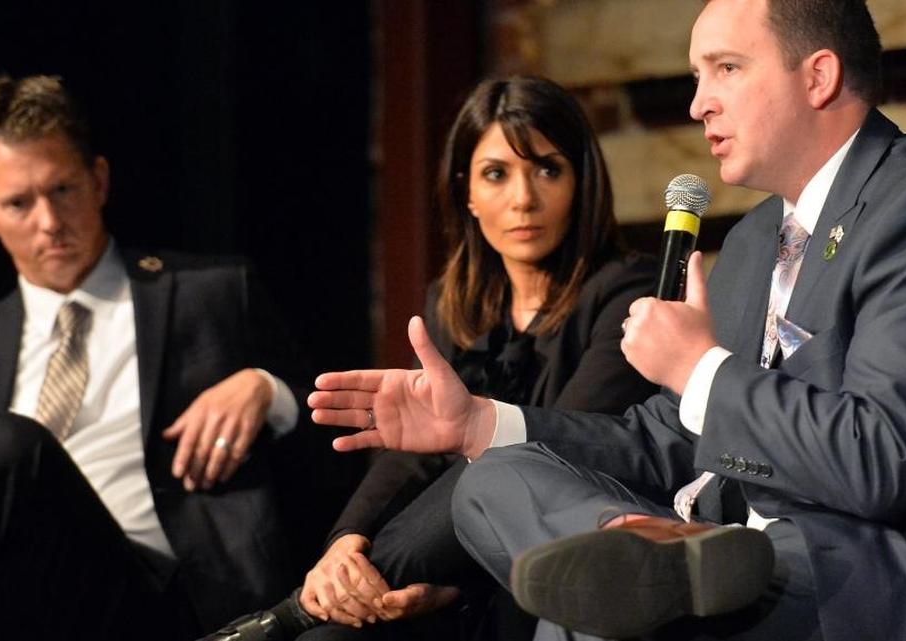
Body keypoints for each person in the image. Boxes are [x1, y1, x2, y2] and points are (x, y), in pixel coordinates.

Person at [305, 1, 906, 640]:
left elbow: (879, 460)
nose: (698, 104)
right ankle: (642, 557)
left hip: (879, 569)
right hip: (735, 552)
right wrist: (479, 424)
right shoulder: (752, 241)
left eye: (725, 69)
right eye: (695, 75)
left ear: (819, 76)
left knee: (597, 607)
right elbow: (665, 436)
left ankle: (649, 569)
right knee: (497, 478)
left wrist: (700, 367)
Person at [204, 76, 659, 641]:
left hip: (558, 565)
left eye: (547, 168)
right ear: (467, 191)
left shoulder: (631, 291)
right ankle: (317, 602)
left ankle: (298, 611)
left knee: (505, 461)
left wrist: (453, 586)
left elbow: (560, 454)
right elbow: (410, 459)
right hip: (452, 568)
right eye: (497, 174)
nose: (523, 198)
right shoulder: (454, 301)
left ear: (582, 182)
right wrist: (345, 543)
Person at [0, 75, 315, 640]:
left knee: (16, 447)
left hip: (156, 601)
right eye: (18, 203)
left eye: (62, 189)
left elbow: (338, 439)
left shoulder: (208, 293)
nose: (48, 221)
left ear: (99, 180)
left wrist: (269, 390)